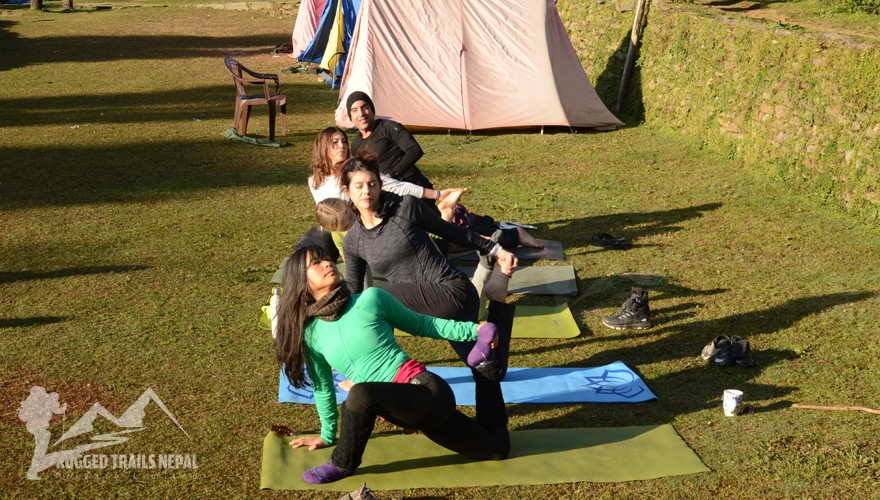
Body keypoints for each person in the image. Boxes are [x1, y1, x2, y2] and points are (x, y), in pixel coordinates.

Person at [276, 245, 514, 484]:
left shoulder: (370, 299)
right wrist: (327, 436)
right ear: (301, 281)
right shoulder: (311, 334)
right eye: (316, 262)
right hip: (407, 411)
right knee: (497, 449)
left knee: (359, 394)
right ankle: (486, 367)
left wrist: (473, 329)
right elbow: (323, 386)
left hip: (427, 393)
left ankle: (342, 463)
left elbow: (424, 324)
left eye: (327, 258)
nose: (328, 263)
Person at [347, 91, 432, 189]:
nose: (361, 114)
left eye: (365, 107)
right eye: (354, 110)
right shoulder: (355, 145)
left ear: (372, 110)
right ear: (351, 117)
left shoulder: (387, 127)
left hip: (410, 183)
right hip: (384, 192)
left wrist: (391, 175)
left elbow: (414, 150)